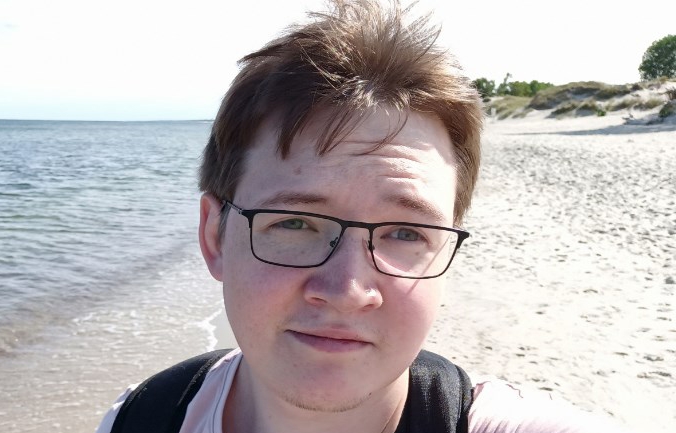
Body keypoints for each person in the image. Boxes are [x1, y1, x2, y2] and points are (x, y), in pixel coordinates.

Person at [96, 1, 630, 432]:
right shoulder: (140, 418)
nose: (348, 290)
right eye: (294, 223)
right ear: (215, 236)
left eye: (405, 233)